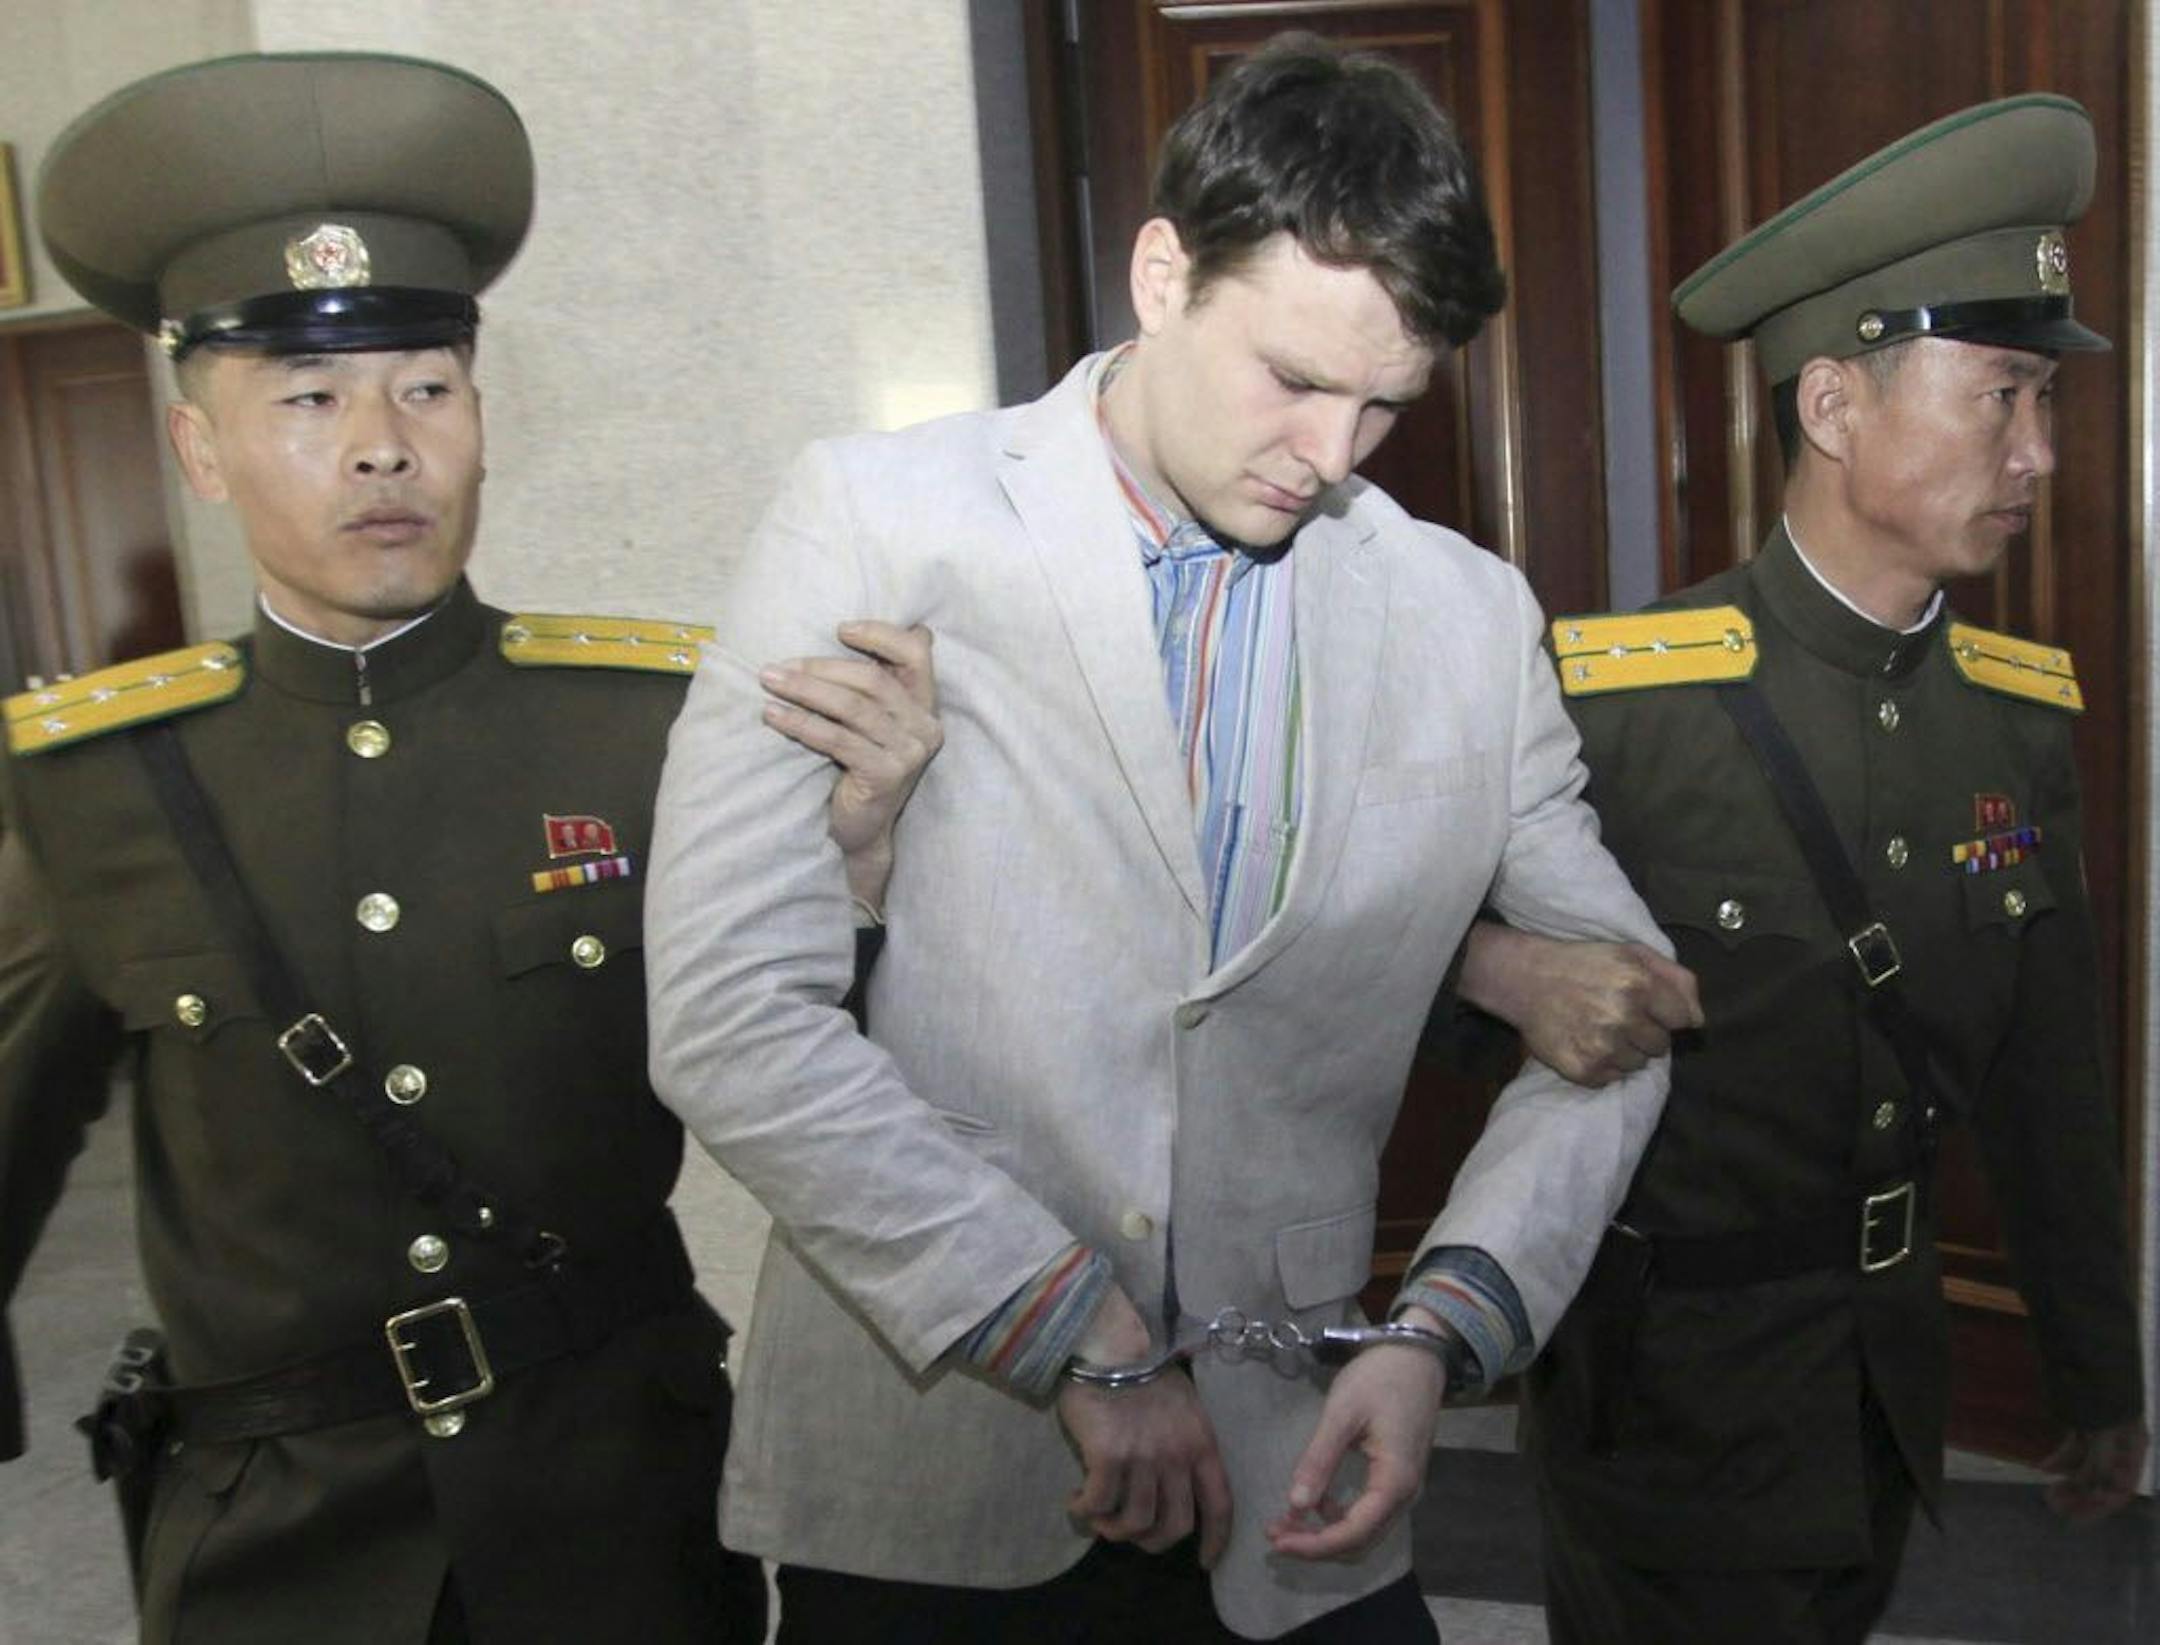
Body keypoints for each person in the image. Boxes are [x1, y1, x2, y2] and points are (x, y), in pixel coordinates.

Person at [643, 34, 1690, 1643]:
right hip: (940, 1471)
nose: (1330, 458)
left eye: (1384, 406)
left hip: (1300, 1487)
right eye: (1293, 377)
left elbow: (1624, 1009)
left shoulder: (1468, 619)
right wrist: (1078, 1329)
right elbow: (728, 1009)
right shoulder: (881, 520)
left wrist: (1441, 1328)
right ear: (1159, 274)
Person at [0, 52, 941, 1644]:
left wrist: (860, 872)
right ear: (199, 451)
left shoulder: (651, 724)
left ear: (481, 422)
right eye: (308, 398)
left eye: (426, 387)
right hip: (274, 1556)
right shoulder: (95, 784)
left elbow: (822, 1075)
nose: (383, 445)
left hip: (614, 1513)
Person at [1452, 94, 2149, 1643]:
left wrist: (2098, 1373)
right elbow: (1397, 974)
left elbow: (2051, 1081)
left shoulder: (2016, 719)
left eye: (2047, 401)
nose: (2037, 451)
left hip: (1883, 1396)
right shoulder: (1616, 703)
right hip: (1665, 1413)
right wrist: (1499, 969)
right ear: (1835, 406)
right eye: (2002, 395)